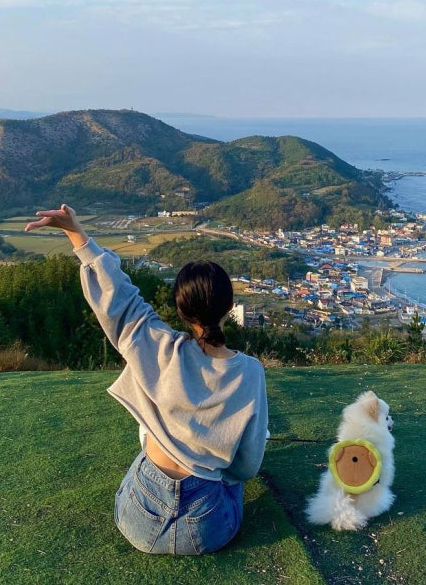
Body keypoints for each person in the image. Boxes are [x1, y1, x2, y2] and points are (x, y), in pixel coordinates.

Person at [25, 204, 268, 555]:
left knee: (151, 437)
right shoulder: (249, 372)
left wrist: (76, 234)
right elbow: (247, 466)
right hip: (208, 529)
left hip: (137, 520)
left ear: (181, 309)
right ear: (230, 306)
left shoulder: (155, 345)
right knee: (230, 480)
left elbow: (119, 299)